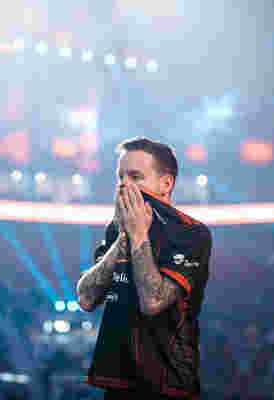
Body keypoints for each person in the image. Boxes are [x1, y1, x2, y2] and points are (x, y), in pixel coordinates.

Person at [76, 137, 212, 399]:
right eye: (120, 176)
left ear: (166, 184)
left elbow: (153, 302)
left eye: (135, 177)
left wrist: (138, 235)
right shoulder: (117, 228)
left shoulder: (191, 234)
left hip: (167, 384)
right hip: (116, 381)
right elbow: (86, 298)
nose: (123, 184)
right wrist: (122, 239)